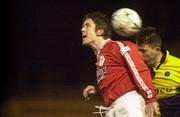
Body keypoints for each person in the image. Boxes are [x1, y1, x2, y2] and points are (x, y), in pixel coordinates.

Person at [81, 11, 159, 117]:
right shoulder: (101, 55)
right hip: (114, 108)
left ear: (99, 31)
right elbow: (117, 78)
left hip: (128, 105)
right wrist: (98, 89)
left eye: (87, 26)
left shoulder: (118, 46)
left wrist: (150, 98)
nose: (82, 29)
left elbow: (139, 70)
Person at [136, 27, 180, 117]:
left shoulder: (177, 65)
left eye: (143, 51)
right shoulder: (136, 69)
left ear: (157, 50)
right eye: (138, 51)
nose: (139, 55)